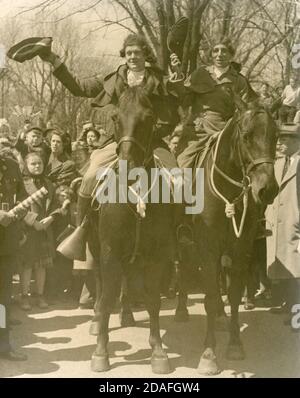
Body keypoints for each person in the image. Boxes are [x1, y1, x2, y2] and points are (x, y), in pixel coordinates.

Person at [39, 33, 179, 230]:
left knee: (179, 178)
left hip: (151, 141)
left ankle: (182, 232)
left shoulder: (159, 80)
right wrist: (54, 61)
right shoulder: (114, 79)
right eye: (128, 53)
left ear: (145, 54)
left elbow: (171, 114)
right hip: (117, 141)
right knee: (88, 177)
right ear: (124, 55)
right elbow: (78, 87)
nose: (132, 57)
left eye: (137, 52)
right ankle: (80, 232)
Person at [169, 37, 258, 169]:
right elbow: (185, 100)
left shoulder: (239, 81)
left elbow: (244, 113)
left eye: (224, 51)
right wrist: (177, 72)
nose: (219, 54)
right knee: (182, 165)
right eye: (215, 51)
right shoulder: (200, 73)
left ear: (231, 55)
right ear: (211, 55)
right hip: (195, 132)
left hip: (222, 132)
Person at [265, 124, 300, 322]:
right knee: (286, 267)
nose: (279, 143)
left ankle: (297, 314)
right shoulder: (278, 164)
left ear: (297, 141)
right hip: (278, 222)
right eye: (279, 139)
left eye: (285, 140)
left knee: (297, 270)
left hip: (294, 221)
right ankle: (289, 305)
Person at [19, 152, 61, 310]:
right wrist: (33, 222)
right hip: (28, 229)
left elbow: (57, 204)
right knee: (27, 264)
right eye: (33, 164)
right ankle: (24, 296)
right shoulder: (23, 183)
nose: (37, 166)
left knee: (42, 264)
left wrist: (51, 218)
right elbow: (19, 205)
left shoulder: (49, 183)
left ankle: (40, 295)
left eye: (40, 163)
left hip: (45, 228)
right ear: (26, 165)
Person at [0, 152, 27, 361]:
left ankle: (3, 346)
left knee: (2, 299)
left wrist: (20, 212)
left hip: (6, 244)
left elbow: (22, 195)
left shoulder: (10, 164)